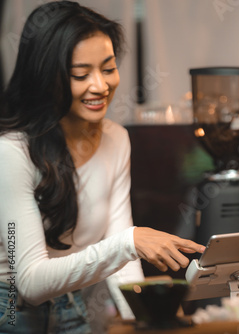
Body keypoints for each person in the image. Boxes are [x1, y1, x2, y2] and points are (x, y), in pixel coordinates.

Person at [0, 1, 205, 333]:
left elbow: (121, 257)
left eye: (108, 68)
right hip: (10, 309)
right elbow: (30, 283)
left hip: (72, 304)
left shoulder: (116, 139)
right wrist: (128, 243)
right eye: (81, 74)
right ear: (45, 77)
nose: (100, 86)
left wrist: (141, 318)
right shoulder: (11, 153)